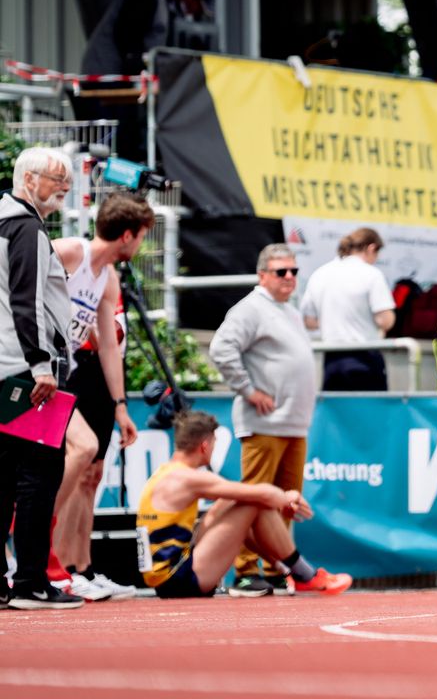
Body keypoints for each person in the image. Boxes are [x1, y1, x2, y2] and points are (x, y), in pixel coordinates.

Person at [47, 191, 147, 600]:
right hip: (28, 368)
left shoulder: (108, 278)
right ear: (128, 236)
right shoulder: (70, 251)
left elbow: (107, 345)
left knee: (77, 456)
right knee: (83, 447)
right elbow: (14, 279)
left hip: (59, 376)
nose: (142, 245)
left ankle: (43, 554)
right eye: (142, 237)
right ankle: (38, 537)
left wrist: (121, 407)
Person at [135, 410, 350, 599]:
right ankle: (305, 575)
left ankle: (286, 569)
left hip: (168, 576)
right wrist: (289, 496)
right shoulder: (188, 478)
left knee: (229, 501)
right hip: (178, 580)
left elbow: (236, 495)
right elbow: (259, 493)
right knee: (253, 503)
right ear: (204, 445)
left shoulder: (166, 472)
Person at [209, 243, 319, 596]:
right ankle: (243, 569)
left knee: (287, 501)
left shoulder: (288, 310)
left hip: (292, 422)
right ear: (262, 275)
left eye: (294, 271)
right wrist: (249, 390)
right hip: (264, 422)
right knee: (255, 499)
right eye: (281, 272)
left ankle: (277, 566)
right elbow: (221, 349)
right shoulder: (251, 308)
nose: (289, 278)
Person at [0, 147, 82, 609]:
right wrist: (42, 365)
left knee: (5, 479)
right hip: (24, 370)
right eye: (56, 178)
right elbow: (26, 301)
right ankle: (31, 581)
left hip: (6, 366)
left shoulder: (4, 220)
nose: (64, 187)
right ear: (29, 178)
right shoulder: (26, 227)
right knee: (37, 474)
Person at [299, 227, 396, 392]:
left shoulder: (320, 274)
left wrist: (333, 322)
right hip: (364, 357)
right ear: (371, 248)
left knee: (336, 414)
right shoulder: (371, 274)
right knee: (370, 414)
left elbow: (309, 321)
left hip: (331, 358)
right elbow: (384, 320)